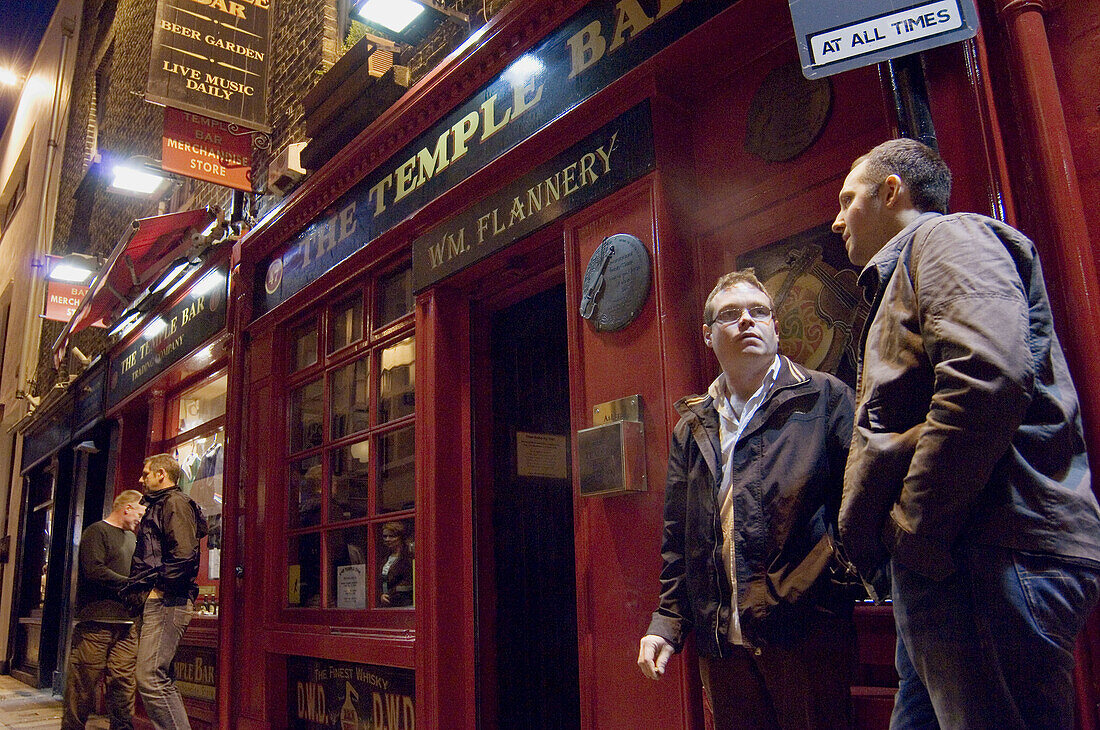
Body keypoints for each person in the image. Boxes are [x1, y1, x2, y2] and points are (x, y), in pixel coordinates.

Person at [833, 137, 1100, 729]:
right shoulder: (914, 263)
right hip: (958, 561)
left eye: (848, 199)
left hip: (981, 556)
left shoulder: (946, 238)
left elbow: (986, 375)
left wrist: (914, 531)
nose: (836, 219)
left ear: (891, 190)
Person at [638, 270, 857, 729]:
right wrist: (666, 623)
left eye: (759, 312)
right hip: (723, 647)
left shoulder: (824, 398)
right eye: (731, 315)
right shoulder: (692, 424)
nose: (747, 322)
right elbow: (680, 540)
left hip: (805, 636)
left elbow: (859, 504)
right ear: (707, 335)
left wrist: (831, 580)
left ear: (776, 326)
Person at [122, 454, 207, 730]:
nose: (141, 478)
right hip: (157, 600)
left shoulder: (174, 503)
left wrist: (157, 590)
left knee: (150, 677)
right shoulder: (161, 505)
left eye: (145, 473)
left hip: (166, 601)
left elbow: (184, 556)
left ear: (161, 474)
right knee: (160, 678)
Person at [62, 490, 146, 730]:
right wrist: (130, 584)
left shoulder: (132, 539)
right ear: (127, 507)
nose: (140, 520)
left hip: (127, 624)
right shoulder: (96, 532)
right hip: (96, 622)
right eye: (139, 513)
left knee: (123, 684)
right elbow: (94, 570)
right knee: (82, 685)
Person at [379, 521, 413, 607]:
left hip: (403, 603)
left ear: (400, 537)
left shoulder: (407, 556)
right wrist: (381, 595)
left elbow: (409, 581)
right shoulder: (385, 557)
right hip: (387, 603)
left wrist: (390, 594)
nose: (387, 539)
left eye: (392, 536)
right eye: (385, 536)